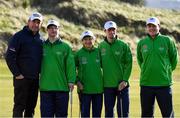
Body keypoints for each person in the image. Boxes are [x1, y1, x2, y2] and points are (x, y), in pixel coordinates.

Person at [137, 17, 179, 117]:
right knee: (146, 115)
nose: (152, 28)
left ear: (159, 27)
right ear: (147, 28)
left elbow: (174, 59)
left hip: (164, 84)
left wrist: (166, 70)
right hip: (146, 84)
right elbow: (140, 60)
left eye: (154, 26)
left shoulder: (167, 40)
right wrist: (146, 69)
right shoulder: (142, 43)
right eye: (149, 26)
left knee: (167, 114)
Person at [5, 12, 43, 117]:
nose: (35, 24)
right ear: (28, 22)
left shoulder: (41, 40)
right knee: (19, 107)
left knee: (31, 108)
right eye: (33, 21)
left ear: (40, 25)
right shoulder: (18, 36)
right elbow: (9, 57)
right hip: (21, 79)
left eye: (38, 22)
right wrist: (17, 74)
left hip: (35, 80)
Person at [39, 19, 76, 117]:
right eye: (51, 28)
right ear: (47, 30)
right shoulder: (41, 46)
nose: (53, 30)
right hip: (45, 88)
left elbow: (70, 66)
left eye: (55, 28)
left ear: (58, 29)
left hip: (62, 88)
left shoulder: (66, 47)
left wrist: (71, 81)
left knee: (61, 116)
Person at [99, 21, 132, 117]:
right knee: (109, 113)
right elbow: (98, 65)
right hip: (108, 85)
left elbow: (128, 64)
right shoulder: (101, 46)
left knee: (123, 113)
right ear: (105, 31)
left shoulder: (123, 45)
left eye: (113, 29)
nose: (112, 32)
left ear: (116, 30)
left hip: (122, 85)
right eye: (109, 30)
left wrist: (125, 80)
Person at [75, 30, 103, 117]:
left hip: (98, 89)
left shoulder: (99, 52)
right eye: (85, 39)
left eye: (90, 39)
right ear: (82, 41)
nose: (88, 41)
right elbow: (71, 70)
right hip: (84, 90)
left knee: (97, 115)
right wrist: (77, 82)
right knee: (84, 115)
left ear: (94, 40)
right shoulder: (78, 54)